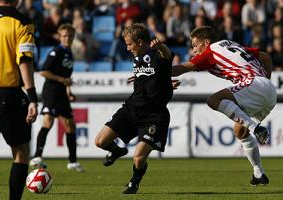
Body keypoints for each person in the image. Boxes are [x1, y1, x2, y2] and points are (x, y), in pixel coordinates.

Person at [172, 26, 277, 186]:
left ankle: (256, 128)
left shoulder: (210, 52)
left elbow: (181, 68)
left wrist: (153, 71)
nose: (193, 50)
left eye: (195, 45)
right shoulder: (231, 44)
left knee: (214, 100)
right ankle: (258, 173)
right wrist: (266, 82)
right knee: (240, 130)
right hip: (270, 92)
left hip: (253, 83)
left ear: (206, 42)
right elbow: (266, 57)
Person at [95, 23, 174, 194]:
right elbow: (153, 77)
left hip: (154, 115)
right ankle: (116, 151)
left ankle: (134, 183)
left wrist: (160, 46)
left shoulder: (157, 54)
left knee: (138, 157)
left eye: (130, 44)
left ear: (139, 42)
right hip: (132, 109)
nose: (127, 48)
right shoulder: (137, 57)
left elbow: (167, 55)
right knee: (100, 142)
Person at [0, 0, 38, 200]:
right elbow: (24, 59)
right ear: (18, 0)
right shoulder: (22, 22)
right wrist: (32, 97)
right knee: (21, 151)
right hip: (8, 92)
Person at [30, 23, 83, 172]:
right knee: (48, 122)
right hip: (51, 91)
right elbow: (44, 72)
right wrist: (62, 81)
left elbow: (67, 77)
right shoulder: (56, 52)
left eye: (70, 35)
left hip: (62, 93)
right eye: (64, 35)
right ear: (60, 37)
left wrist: (69, 91)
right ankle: (37, 157)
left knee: (70, 126)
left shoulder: (70, 53)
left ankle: (72, 162)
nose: (67, 38)